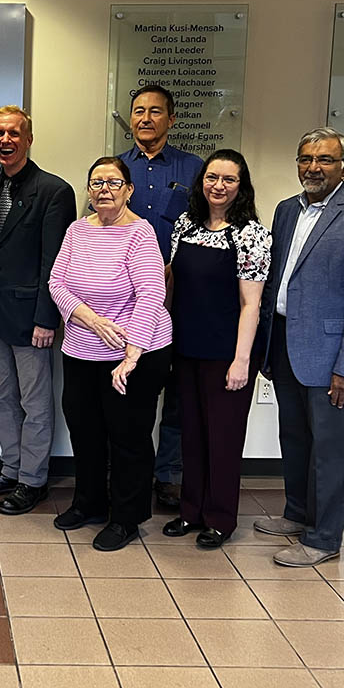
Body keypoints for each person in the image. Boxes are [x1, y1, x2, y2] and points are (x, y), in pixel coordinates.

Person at [255, 127, 344, 567]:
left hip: (331, 356)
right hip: (286, 345)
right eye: (306, 159)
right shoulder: (285, 212)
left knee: (331, 449)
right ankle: (297, 514)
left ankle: (324, 537)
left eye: (325, 160)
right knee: (294, 438)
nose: (313, 167)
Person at [49, 157, 174, 551]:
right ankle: (89, 504)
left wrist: (132, 355)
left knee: (128, 436)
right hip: (82, 350)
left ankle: (126, 517)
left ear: (129, 189)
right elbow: (56, 282)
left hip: (135, 353)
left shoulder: (141, 233)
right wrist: (91, 320)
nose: (104, 189)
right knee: (84, 430)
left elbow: (152, 295)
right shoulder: (76, 231)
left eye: (113, 182)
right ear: (88, 190)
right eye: (97, 182)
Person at [0, 106, 76, 515]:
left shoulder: (54, 190)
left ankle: (33, 480)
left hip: (32, 321)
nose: (5, 141)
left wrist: (48, 317)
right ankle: (10, 469)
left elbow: (55, 262)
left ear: (28, 138)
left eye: (13, 133)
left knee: (36, 403)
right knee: (2, 398)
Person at [162, 150, 271, 547]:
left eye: (228, 180)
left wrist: (242, 361)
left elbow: (251, 304)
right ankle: (190, 512)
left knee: (222, 439)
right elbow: (172, 284)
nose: (218, 186)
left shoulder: (251, 234)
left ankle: (220, 518)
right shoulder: (186, 225)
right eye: (212, 178)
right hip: (185, 348)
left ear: (241, 187)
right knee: (190, 435)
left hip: (227, 353)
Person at [119, 84, 203, 512]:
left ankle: (168, 473)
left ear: (172, 119)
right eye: (138, 111)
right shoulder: (115, 169)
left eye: (155, 111)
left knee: (177, 386)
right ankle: (126, 469)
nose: (146, 118)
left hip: (180, 296)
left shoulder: (194, 169)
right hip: (125, 300)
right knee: (127, 382)